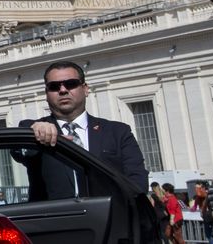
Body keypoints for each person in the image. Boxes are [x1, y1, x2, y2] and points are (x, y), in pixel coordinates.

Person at [23, 61, 149, 192]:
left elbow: (137, 182)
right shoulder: (33, 129)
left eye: (70, 84)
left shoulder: (117, 132)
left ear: (85, 89)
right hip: (57, 212)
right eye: (54, 86)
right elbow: (20, 152)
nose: (63, 90)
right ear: (47, 94)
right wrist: (34, 132)